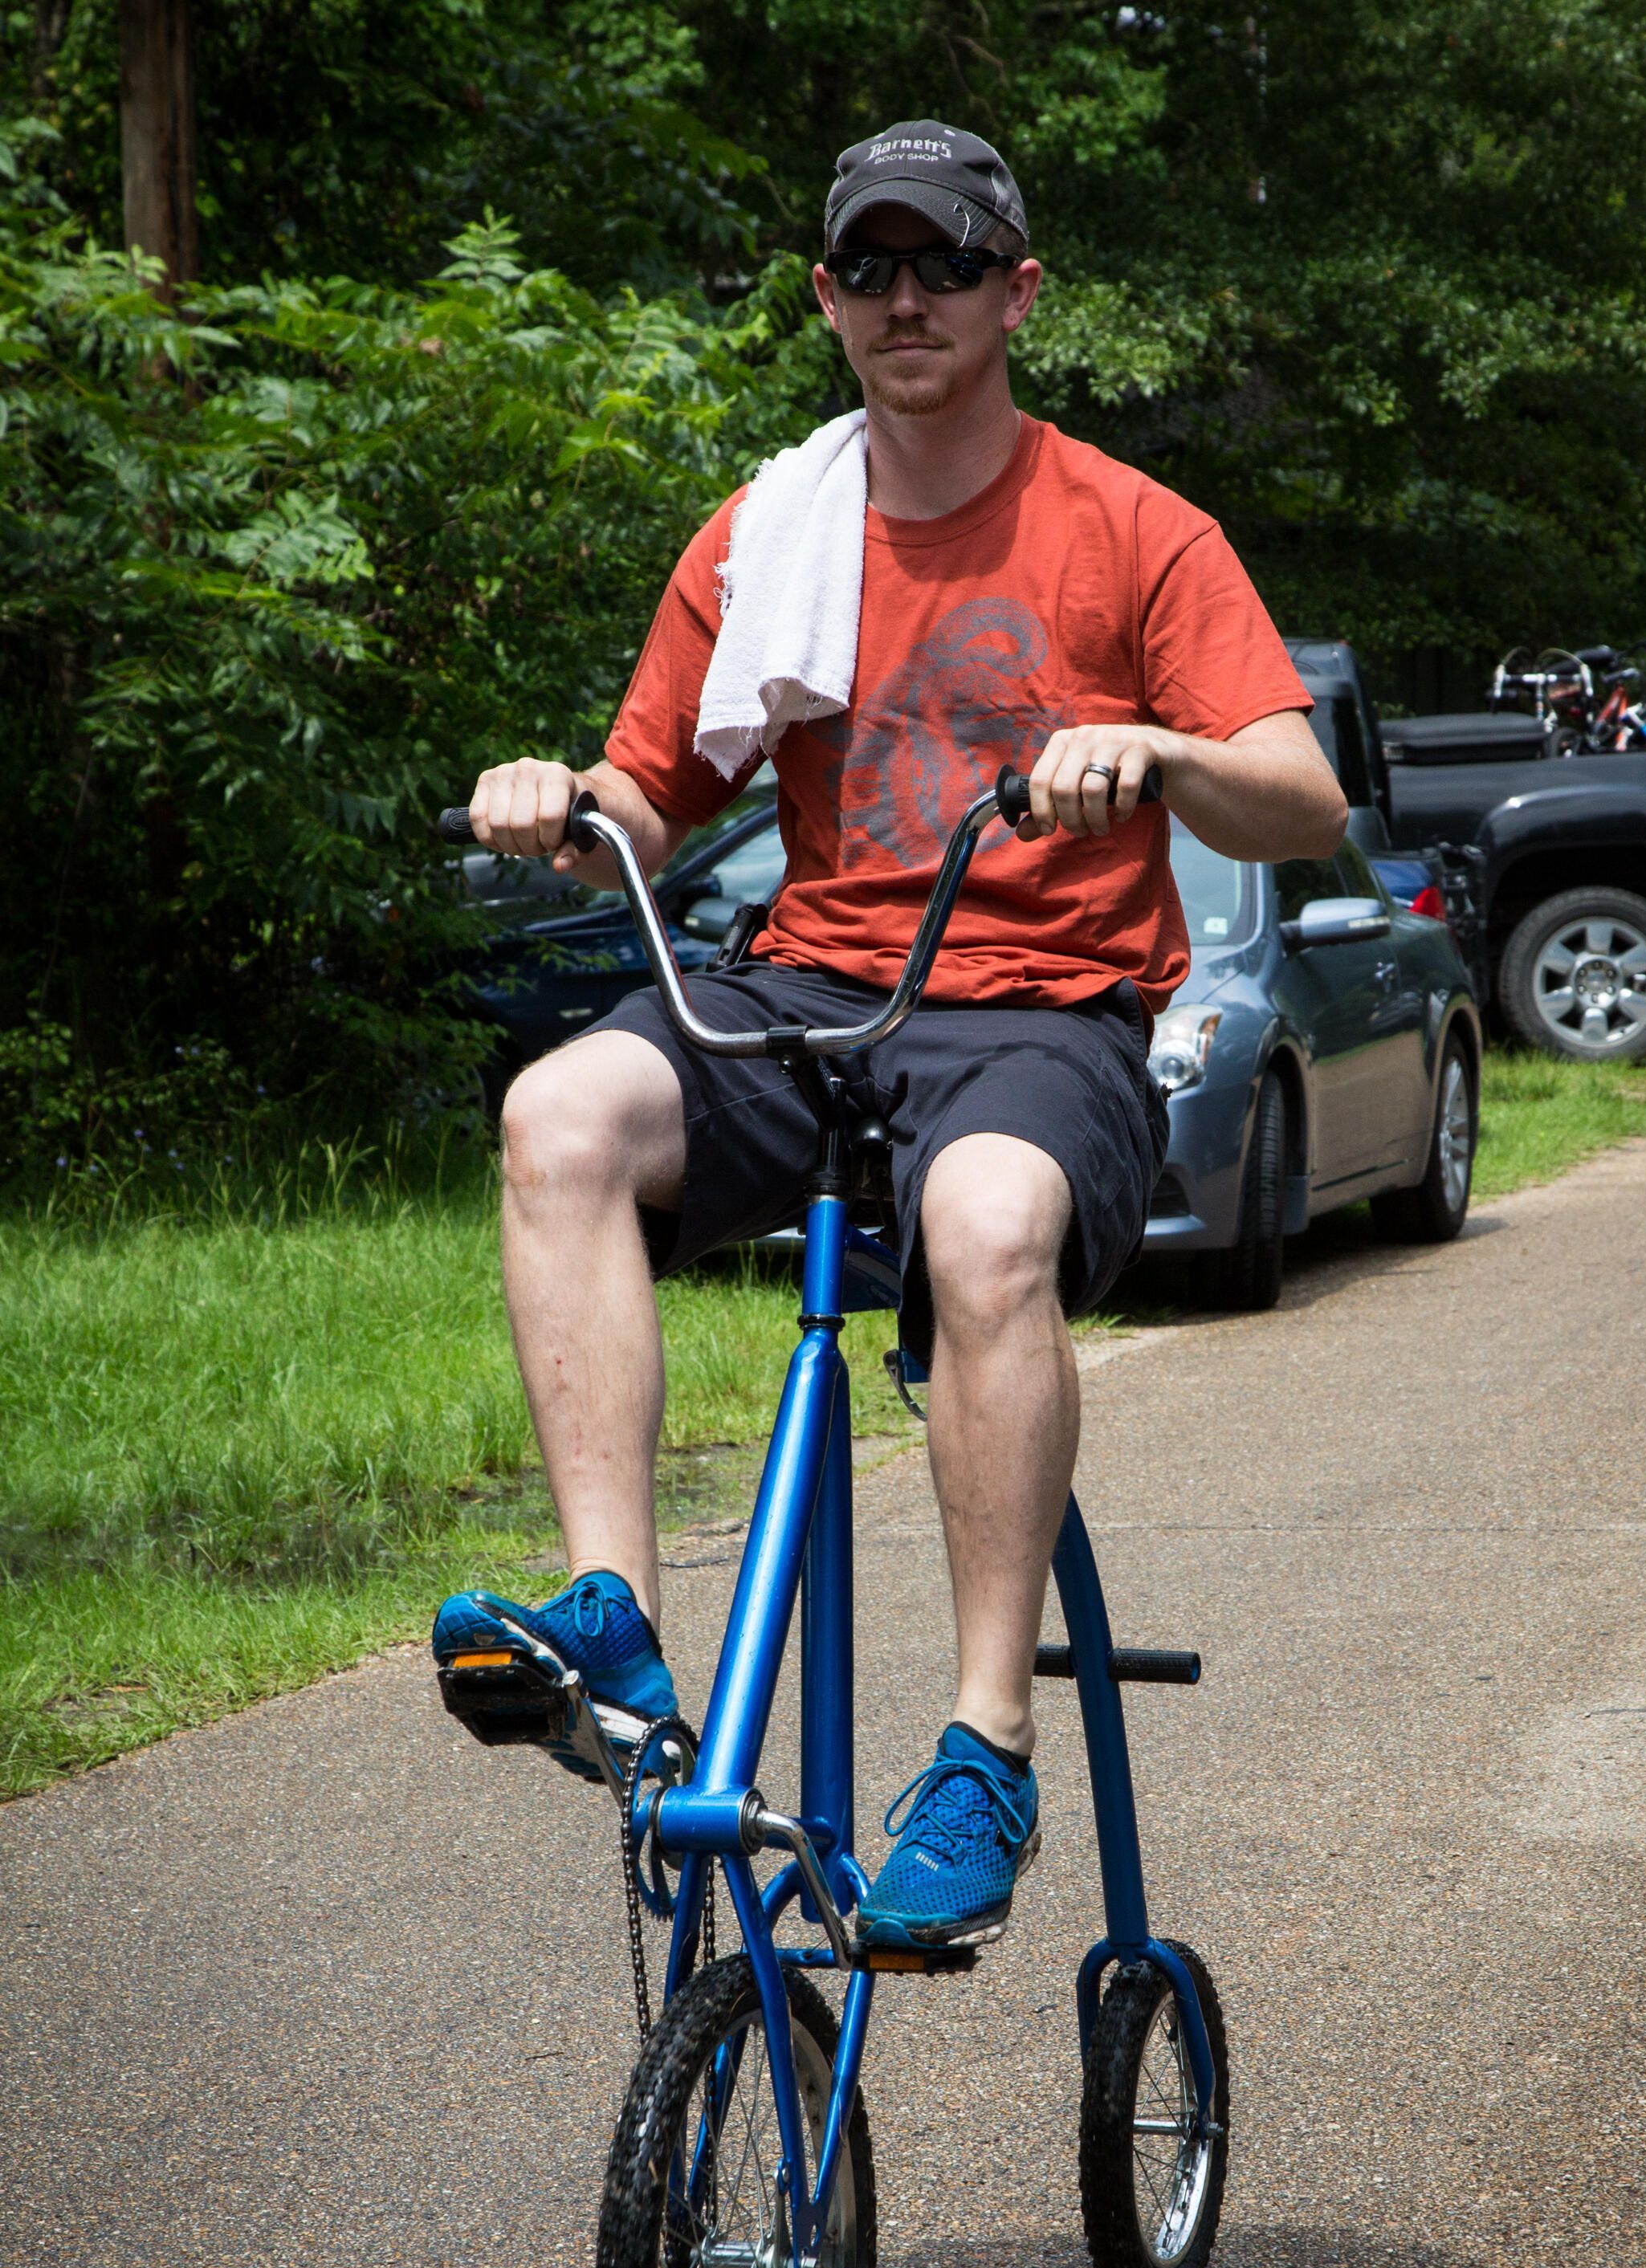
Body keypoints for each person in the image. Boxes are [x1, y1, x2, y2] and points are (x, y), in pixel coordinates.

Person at [434, 119, 1347, 1951]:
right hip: (812, 996)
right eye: (870, 265)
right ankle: (615, 1625)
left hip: (1044, 1016)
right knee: (558, 1115)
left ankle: (986, 1746)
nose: (905, 297)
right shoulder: (769, 534)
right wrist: (562, 801)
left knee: (987, 1225)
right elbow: (650, 801)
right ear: (826, 297)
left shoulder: (1136, 529)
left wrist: (1161, 753)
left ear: (1019, 291)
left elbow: (1301, 801)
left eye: (946, 263)